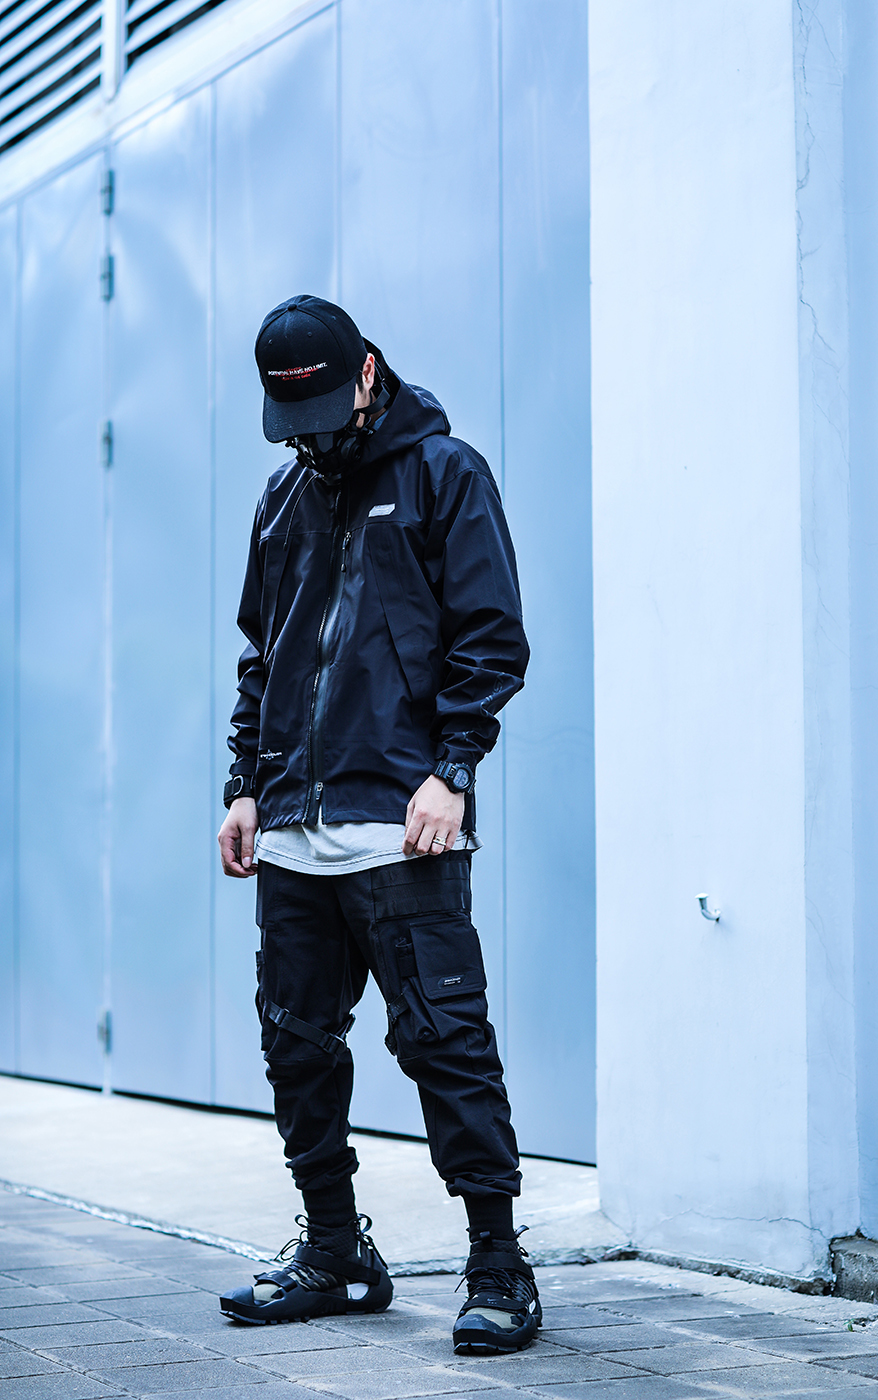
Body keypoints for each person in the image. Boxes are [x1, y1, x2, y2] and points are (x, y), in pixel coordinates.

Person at [216, 295, 538, 1354]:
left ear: (366, 372)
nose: (308, 440)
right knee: (295, 1044)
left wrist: (453, 770)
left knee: (445, 1041)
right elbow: (264, 657)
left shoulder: (446, 475)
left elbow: (491, 638)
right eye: (290, 421)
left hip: (404, 823)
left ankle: (498, 1262)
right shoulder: (282, 496)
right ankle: (335, 1252)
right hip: (292, 828)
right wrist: (245, 785)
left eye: (320, 412)